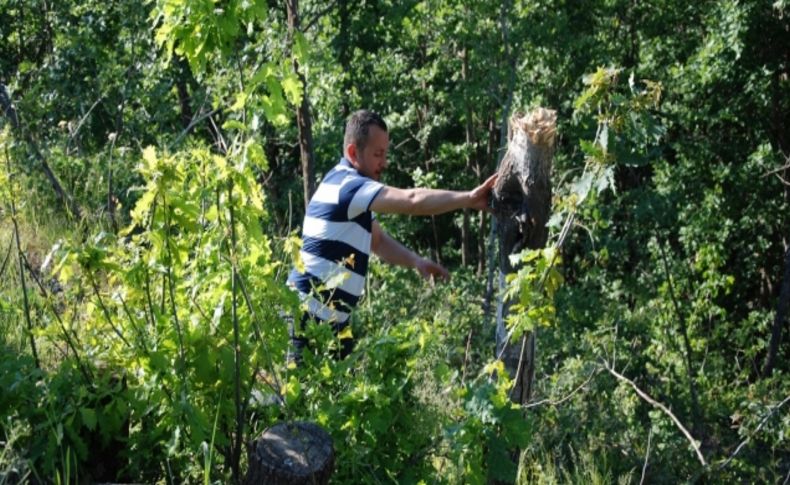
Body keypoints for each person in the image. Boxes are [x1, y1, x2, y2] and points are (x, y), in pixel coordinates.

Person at [287, 109, 496, 362]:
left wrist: (416, 261)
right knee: (293, 401)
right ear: (353, 153)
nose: (384, 163)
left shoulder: (351, 193)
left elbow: (378, 241)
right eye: (378, 154)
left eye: (385, 154)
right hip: (304, 320)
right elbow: (412, 200)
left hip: (332, 325)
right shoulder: (347, 186)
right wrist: (469, 198)